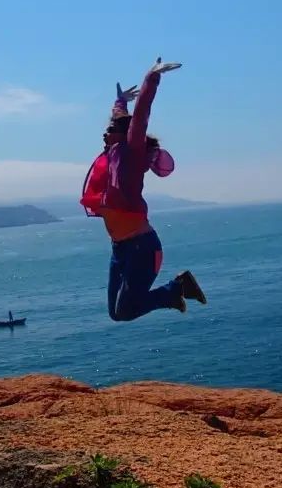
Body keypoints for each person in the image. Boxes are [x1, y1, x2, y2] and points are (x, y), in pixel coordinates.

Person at [80, 58, 206, 322]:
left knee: (126, 310)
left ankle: (177, 288)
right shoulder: (112, 153)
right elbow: (120, 117)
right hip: (120, 249)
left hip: (142, 247)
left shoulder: (131, 151)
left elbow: (141, 115)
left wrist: (151, 78)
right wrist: (120, 101)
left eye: (110, 130)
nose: (105, 133)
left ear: (125, 134)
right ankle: (174, 292)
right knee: (116, 313)